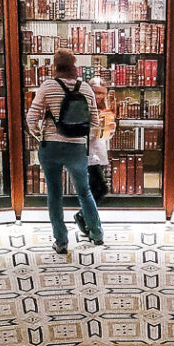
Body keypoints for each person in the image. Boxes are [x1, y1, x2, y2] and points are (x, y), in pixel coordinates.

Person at [26, 49, 105, 254]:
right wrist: (84, 140)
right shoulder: (86, 88)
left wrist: (39, 135)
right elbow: (95, 122)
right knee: (84, 191)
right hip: (77, 147)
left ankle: (61, 241)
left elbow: (31, 118)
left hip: (51, 146)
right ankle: (96, 234)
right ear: (74, 66)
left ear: (55, 66)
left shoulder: (48, 86)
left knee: (54, 193)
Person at [74, 80, 115, 237]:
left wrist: (109, 129)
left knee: (95, 189)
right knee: (98, 189)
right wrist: (95, 129)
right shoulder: (81, 107)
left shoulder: (103, 109)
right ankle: (87, 220)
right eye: (95, 92)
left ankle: (86, 219)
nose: (98, 96)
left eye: (101, 93)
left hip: (97, 153)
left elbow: (105, 135)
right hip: (85, 154)